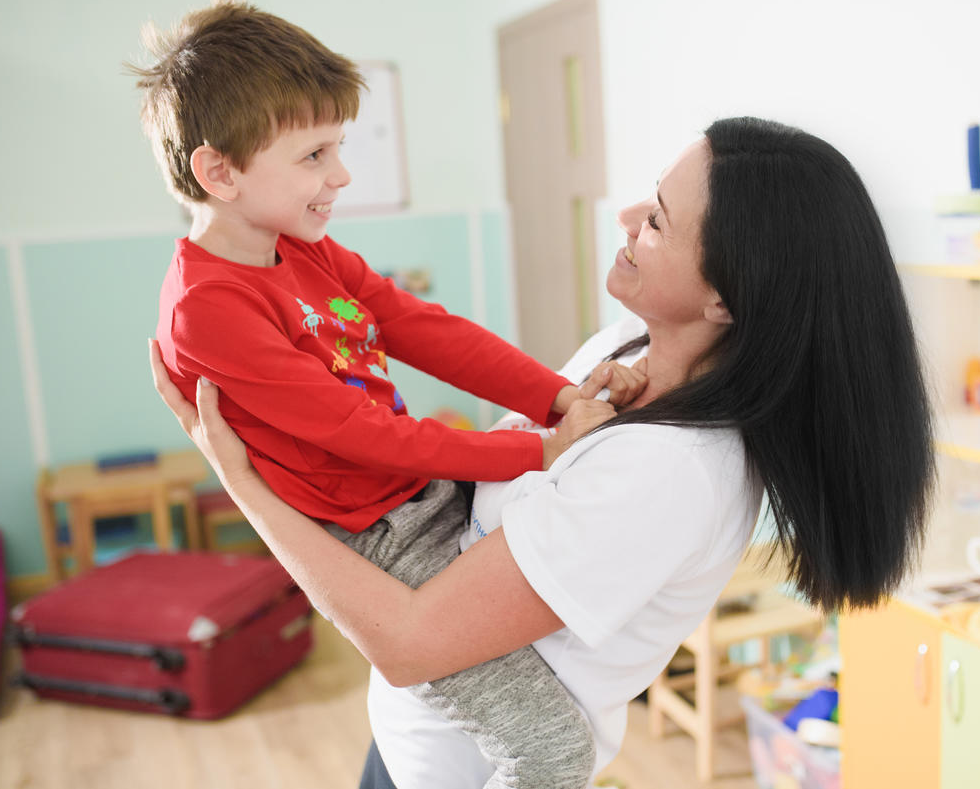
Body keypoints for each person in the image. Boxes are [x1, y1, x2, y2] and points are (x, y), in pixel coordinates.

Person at [150, 116, 936, 789]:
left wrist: (239, 477)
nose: (626, 214)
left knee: (551, 755)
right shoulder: (630, 347)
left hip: (458, 769)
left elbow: (410, 642)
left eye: (658, 218)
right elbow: (518, 449)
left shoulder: (675, 470)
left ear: (726, 296)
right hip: (409, 741)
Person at [129, 0, 645, 788]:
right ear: (219, 172)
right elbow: (356, 432)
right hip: (378, 542)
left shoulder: (302, 247)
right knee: (552, 748)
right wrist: (532, 449)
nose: (339, 174)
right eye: (314, 155)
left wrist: (558, 399)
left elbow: (420, 326)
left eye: (338, 147)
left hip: (418, 491)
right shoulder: (207, 308)